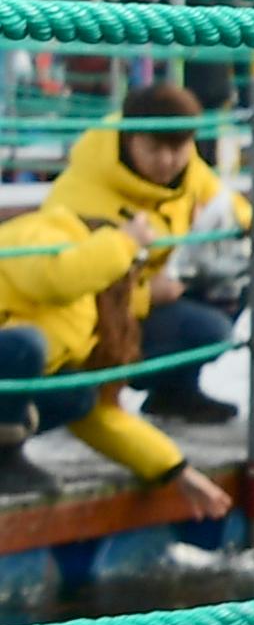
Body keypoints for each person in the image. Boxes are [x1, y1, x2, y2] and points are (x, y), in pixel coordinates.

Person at [0, 86, 240, 521]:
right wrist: (124, 245)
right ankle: (5, 455)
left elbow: (101, 418)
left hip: (61, 334)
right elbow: (54, 277)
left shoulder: (96, 317)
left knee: (78, 397)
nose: (168, 162)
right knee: (24, 348)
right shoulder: (49, 228)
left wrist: (174, 469)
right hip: (17, 346)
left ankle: (6, 453)